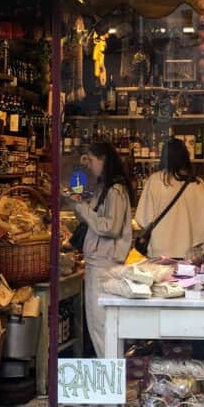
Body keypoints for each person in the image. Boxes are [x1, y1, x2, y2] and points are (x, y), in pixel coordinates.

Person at [63, 142, 133, 358]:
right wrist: (77, 203)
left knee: (101, 324)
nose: (90, 166)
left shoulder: (115, 190)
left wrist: (81, 207)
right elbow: (93, 219)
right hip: (100, 260)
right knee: (99, 324)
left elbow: (109, 227)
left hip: (104, 263)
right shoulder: (105, 189)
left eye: (91, 160)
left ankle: (110, 376)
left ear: (103, 160)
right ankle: (111, 373)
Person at [135, 138, 204, 261]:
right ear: (186, 157)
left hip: (160, 255)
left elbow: (143, 220)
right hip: (192, 256)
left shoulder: (155, 181)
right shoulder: (200, 185)